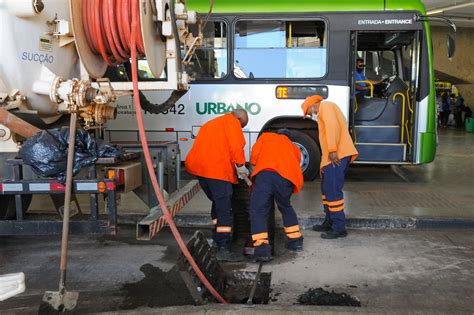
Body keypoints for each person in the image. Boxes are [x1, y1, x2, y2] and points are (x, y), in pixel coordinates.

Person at [185, 109, 250, 261]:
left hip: (200, 170)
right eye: (242, 126)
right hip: (216, 171)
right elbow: (236, 146)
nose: (240, 129)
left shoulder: (211, 123)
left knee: (218, 202)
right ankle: (223, 247)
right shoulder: (232, 123)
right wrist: (240, 165)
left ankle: (216, 235)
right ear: (239, 119)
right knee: (224, 209)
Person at [301, 95, 358, 239]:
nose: (310, 115)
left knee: (332, 191)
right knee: (327, 191)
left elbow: (332, 127)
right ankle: (330, 221)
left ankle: (339, 228)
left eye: (309, 112)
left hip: (337, 155)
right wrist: (323, 163)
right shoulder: (326, 110)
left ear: (313, 105)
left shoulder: (325, 107)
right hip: (331, 158)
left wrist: (332, 150)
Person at [249, 129, 304, 262]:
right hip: (287, 179)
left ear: (278, 133)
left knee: (259, 211)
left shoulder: (266, 137)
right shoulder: (294, 147)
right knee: (285, 207)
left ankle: (262, 250)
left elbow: (254, 158)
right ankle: (295, 241)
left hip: (266, 175)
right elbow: (294, 164)